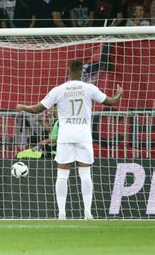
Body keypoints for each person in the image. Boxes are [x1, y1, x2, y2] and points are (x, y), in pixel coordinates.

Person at [16, 60, 123, 220]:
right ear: (81, 72)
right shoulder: (89, 88)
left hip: (65, 135)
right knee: (85, 174)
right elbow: (111, 101)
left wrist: (23, 106)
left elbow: (38, 108)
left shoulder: (59, 90)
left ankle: (62, 214)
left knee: (62, 174)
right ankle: (88, 213)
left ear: (68, 71)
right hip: (83, 135)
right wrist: (119, 93)